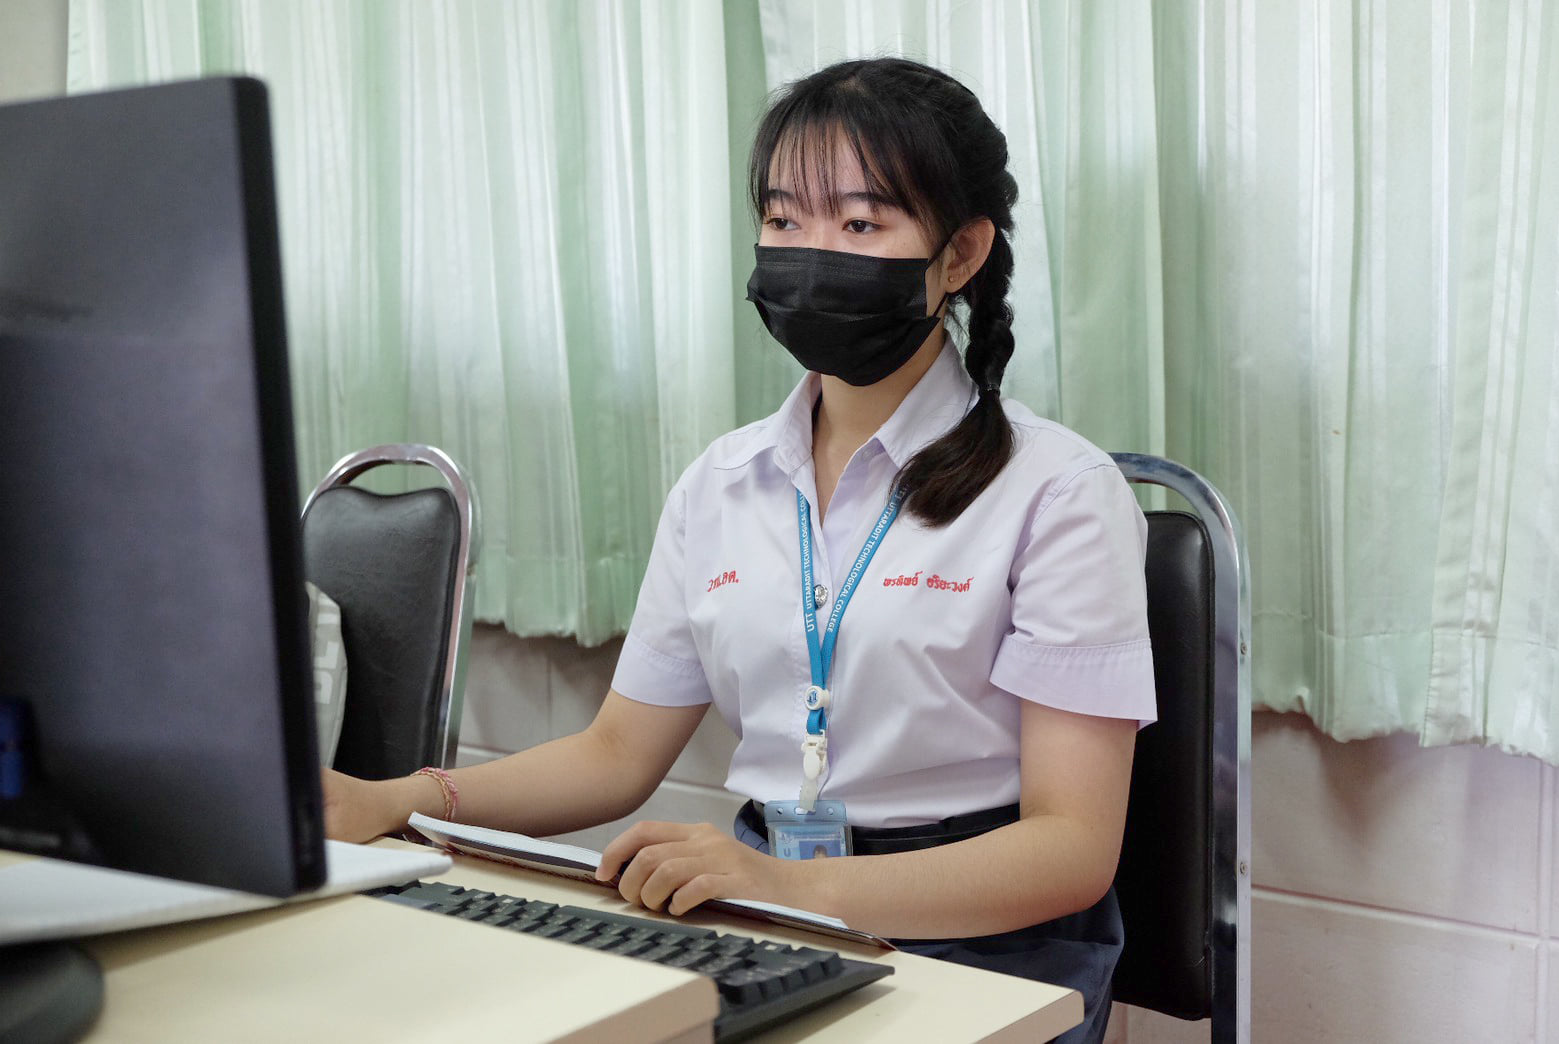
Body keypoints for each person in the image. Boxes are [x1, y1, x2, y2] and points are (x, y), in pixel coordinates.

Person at [324, 56, 1155, 1044]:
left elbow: (1069, 851)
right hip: (770, 918)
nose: (810, 253)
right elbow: (614, 755)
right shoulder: (721, 484)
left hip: (986, 947)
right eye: (781, 219)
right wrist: (401, 802)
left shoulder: (1056, 491)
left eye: (858, 223)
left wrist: (786, 882)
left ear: (960, 253)